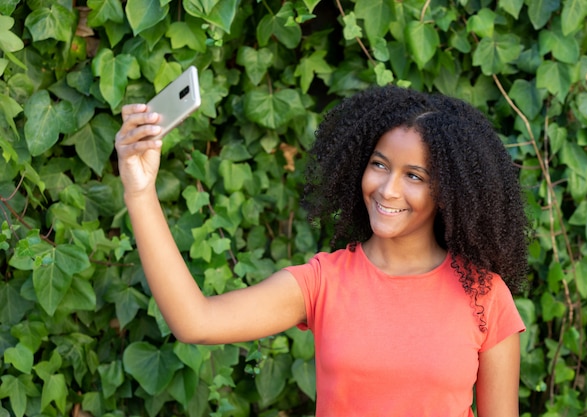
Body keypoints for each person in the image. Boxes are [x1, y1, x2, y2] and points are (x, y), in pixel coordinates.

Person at [115, 84, 529, 417]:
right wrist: (139, 191)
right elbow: (195, 322)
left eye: (415, 175)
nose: (388, 189)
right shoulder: (323, 282)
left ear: (450, 192)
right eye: (380, 164)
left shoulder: (484, 296)